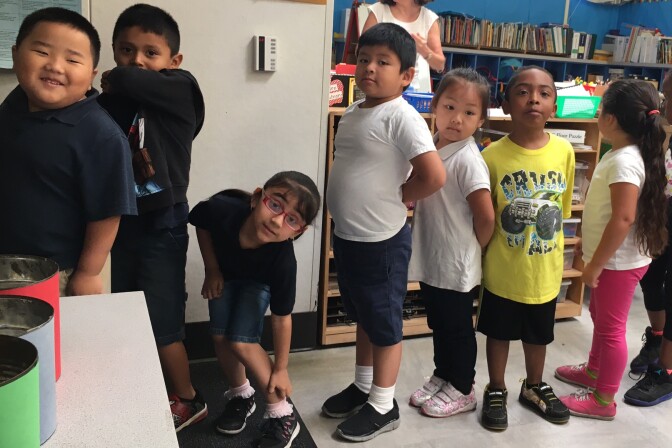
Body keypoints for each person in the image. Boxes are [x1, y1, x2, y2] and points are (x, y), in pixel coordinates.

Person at [322, 23, 445, 442]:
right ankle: (362, 385)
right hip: (350, 237)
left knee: (385, 325)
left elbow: (434, 175)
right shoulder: (356, 110)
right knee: (363, 317)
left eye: (383, 62)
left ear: (407, 76)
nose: (369, 68)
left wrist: (402, 196)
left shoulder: (402, 116)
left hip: (382, 243)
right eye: (363, 59)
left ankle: (383, 404)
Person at [97, 3, 206, 431]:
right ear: (113, 48)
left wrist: (117, 74)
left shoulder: (181, 92)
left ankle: (189, 398)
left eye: (150, 53)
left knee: (163, 321)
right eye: (126, 50)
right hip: (116, 222)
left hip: (163, 225)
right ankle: (137, 389)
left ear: (174, 61)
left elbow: (126, 78)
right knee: (121, 311)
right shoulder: (108, 102)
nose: (137, 61)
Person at [0, 7, 136, 297]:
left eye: (72, 59)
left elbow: (108, 212)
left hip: (55, 272)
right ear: (15, 54)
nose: (55, 66)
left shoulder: (100, 135)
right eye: (41, 52)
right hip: (5, 260)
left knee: (43, 340)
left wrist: (88, 273)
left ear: (91, 75)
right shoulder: (12, 107)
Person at [555, 79, 668, 419]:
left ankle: (603, 400)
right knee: (600, 317)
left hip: (617, 262)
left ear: (611, 121)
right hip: (611, 259)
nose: (598, 114)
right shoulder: (624, 154)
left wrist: (595, 265)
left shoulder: (625, 162)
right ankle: (593, 371)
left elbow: (622, 217)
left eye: (600, 110)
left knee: (610, 328)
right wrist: (588, 253)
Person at [189, 171, 320, 448]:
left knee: (241, 341)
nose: (276, 220)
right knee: (220, 336)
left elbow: (282, 320)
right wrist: (211, 269)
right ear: (257, 197)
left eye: (292, 219)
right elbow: (202, 223)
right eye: (275, 204)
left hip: (258, 283)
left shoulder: (283, 262)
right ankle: (241, 395)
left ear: (299, 231)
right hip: (226, 273)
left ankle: (282, 414)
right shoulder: (222, 209)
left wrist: (281, 368)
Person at [478, 66, 574, 430]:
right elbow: (487, 216)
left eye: (544, 93)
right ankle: (497, 387)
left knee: (539, 335)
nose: (533, 98)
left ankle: (533, 385)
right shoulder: (491, 157)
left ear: (553, 106)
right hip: (502, 269)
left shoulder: (564, 151)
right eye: (523, 91)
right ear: (507, 102)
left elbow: (561, 211)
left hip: (544, 272)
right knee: (498, 333)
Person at [407, 68, 494, 418]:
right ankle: (443, 374)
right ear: (434, 105)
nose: (457, 119)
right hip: (433, 257)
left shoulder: (468, 159)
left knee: (457, 328)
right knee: (439, 323)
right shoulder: (431, 147)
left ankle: (463, 387)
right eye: (450, 107)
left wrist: (474, 250)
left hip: (457, 262)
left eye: (469, 112)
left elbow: (485, 216)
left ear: (481, 119)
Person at [623, 72, 672, 407]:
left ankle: (666, 372)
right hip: (665, 222)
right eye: (667, 96)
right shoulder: (666, 134)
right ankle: (656, 339)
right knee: (652, 280)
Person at [362, 0, 445, 93]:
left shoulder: (429, 19)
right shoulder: (378, 10)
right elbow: (361, 49)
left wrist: (425, 51)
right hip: (378, 84)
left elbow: (440, 65)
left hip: (411, 90)